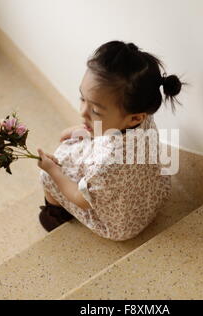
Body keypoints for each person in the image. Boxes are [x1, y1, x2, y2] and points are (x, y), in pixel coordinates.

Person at [37, 40, 186, 241]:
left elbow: (82, 201)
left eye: (96, 111)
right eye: (82, 99)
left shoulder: (105, 166)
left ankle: (54, 216)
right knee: (74, 144)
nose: (82, 112)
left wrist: (52, 170)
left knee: (49, 173)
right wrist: (85, 130)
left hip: (121, 225)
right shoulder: (143, 118)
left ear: (134, 117)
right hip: (153, 194)